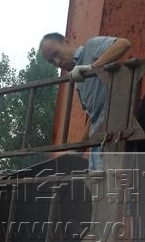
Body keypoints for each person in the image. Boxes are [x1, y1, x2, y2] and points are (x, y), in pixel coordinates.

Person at [39, 33, 132, 171]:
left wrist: (92, 67)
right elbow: (93, 117)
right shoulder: (78, 79)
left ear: (66, 42)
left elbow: (123, 44)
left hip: (114, 137)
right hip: (99, 143)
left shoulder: (91, 47)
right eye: (52, 61)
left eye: (56, 54)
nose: (57, 62)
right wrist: (79, 149)